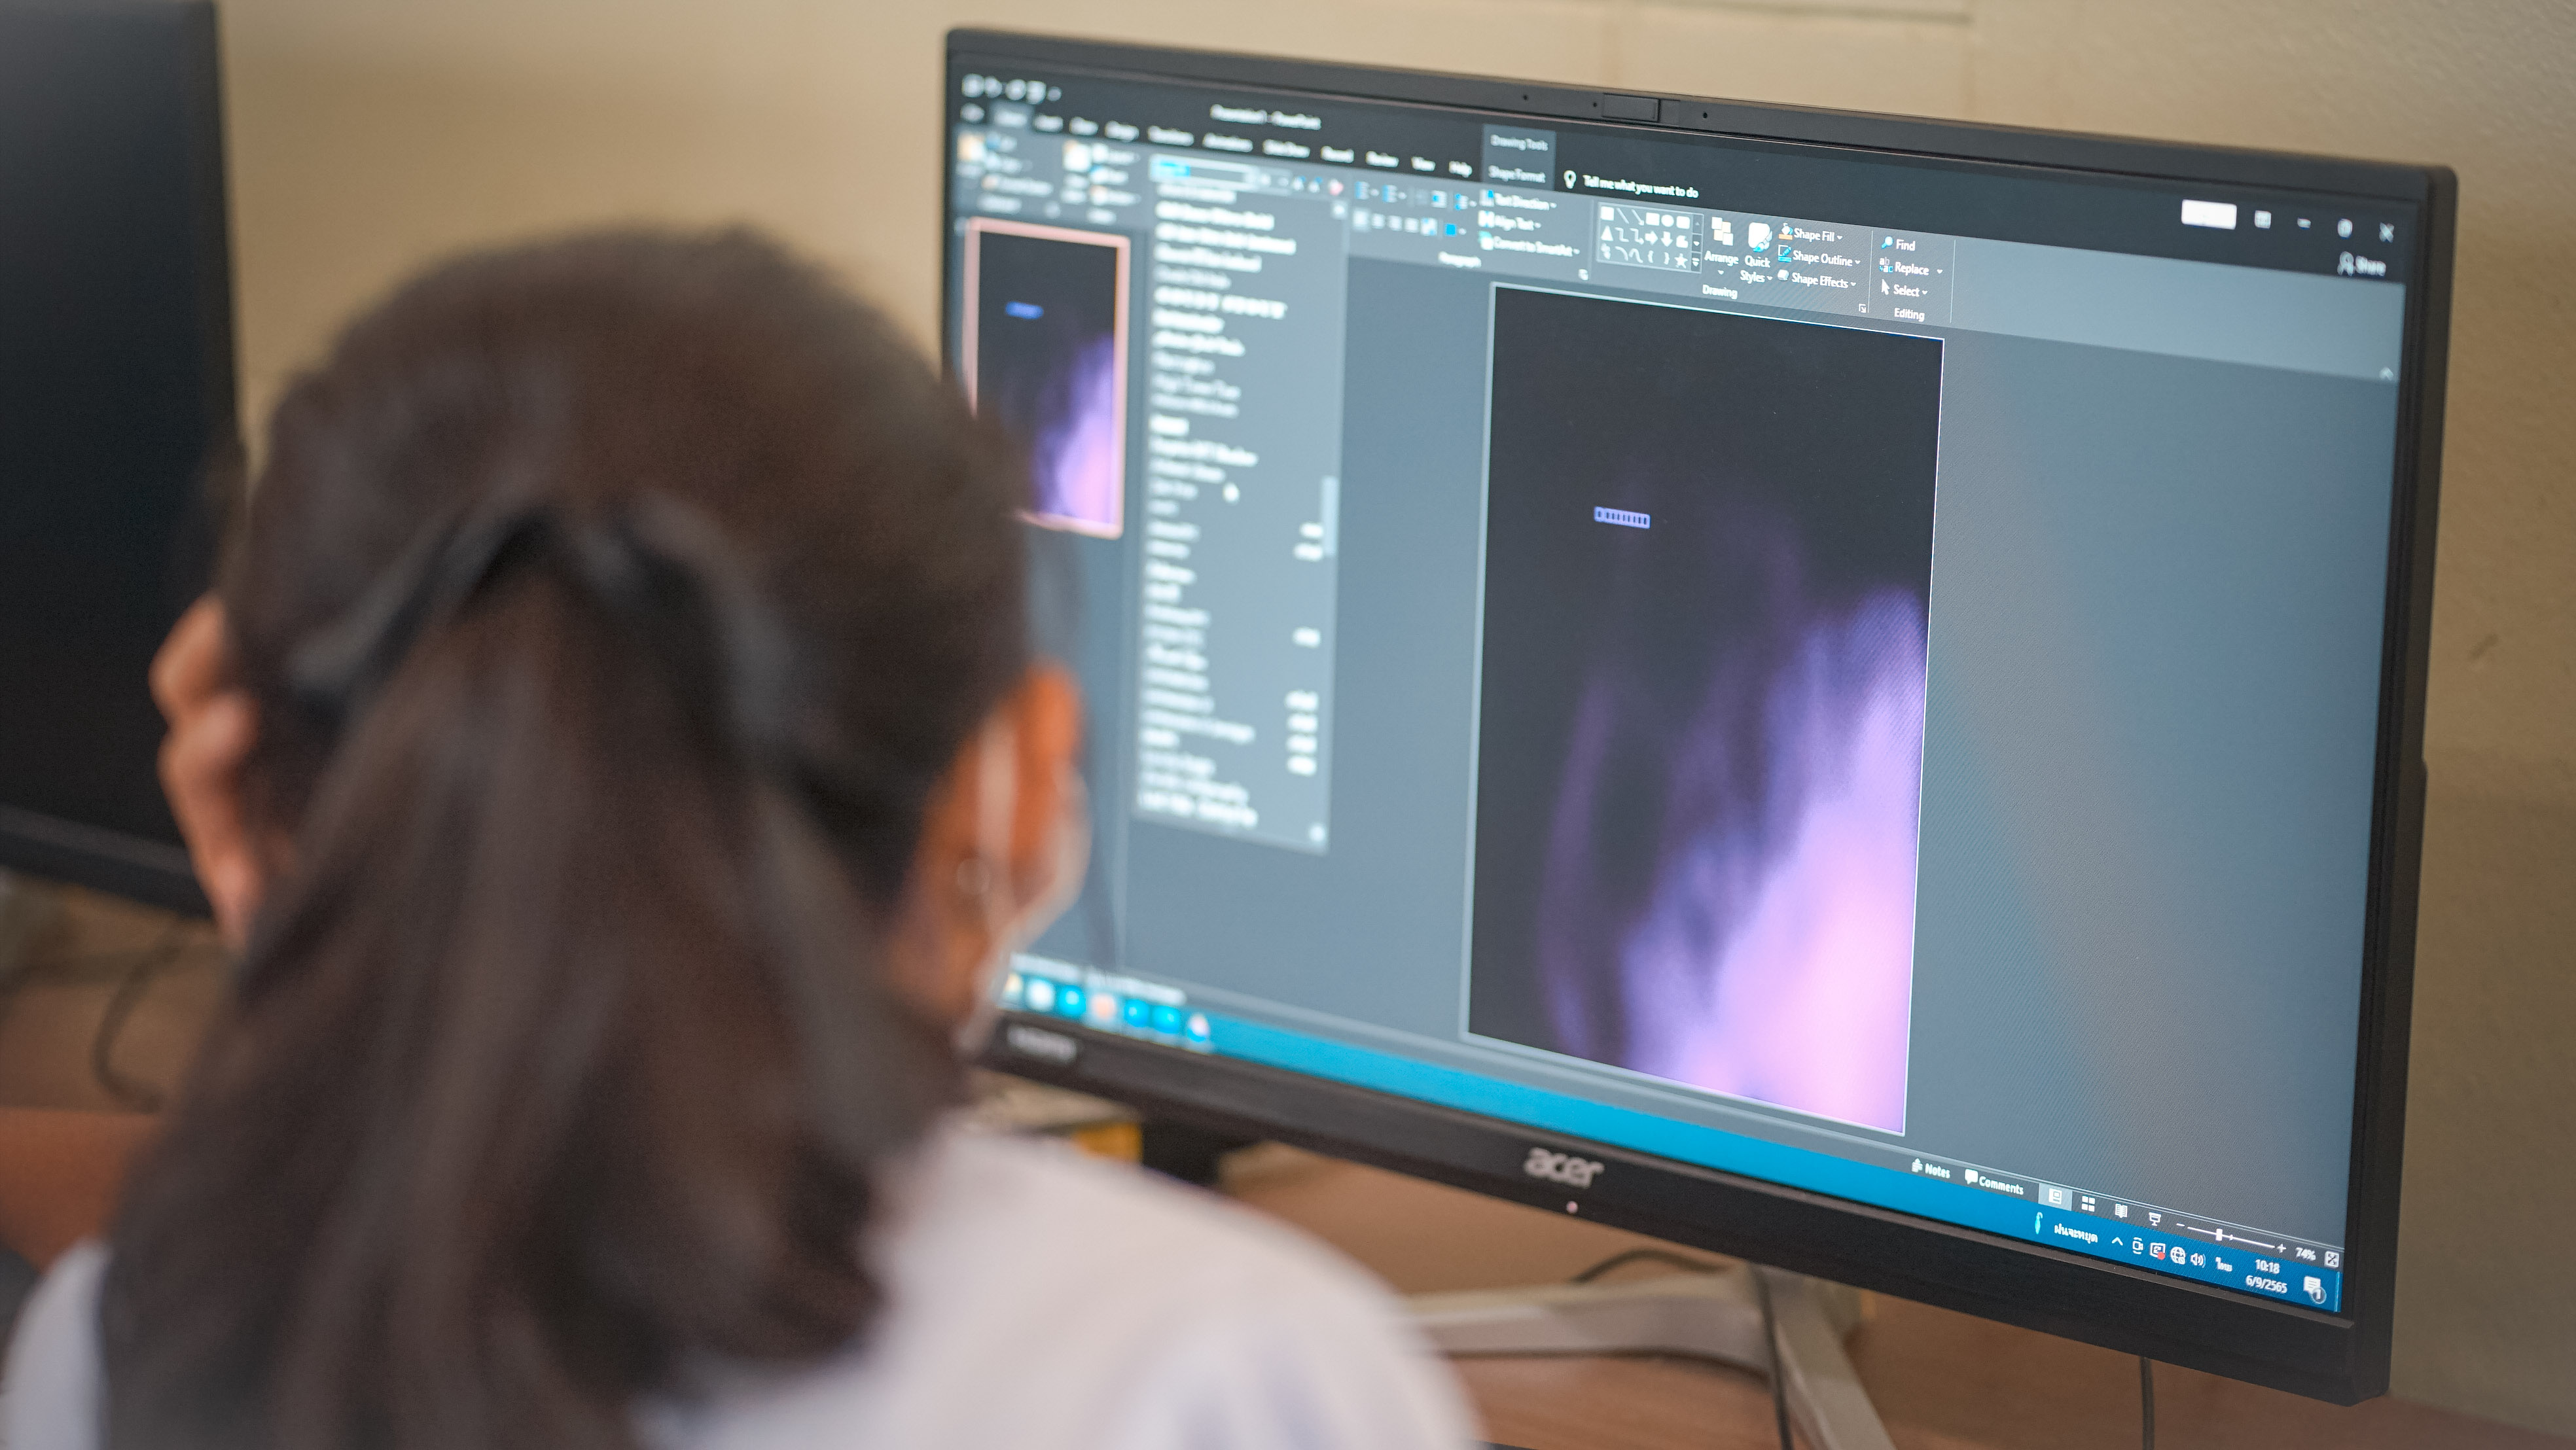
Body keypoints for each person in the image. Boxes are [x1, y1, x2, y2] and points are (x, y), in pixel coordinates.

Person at [0, 230, 1476, 1450]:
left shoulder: (120, 1343)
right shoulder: (1223, 1377)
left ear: (268, 812)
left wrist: (333, 959)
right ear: (1021, 784)